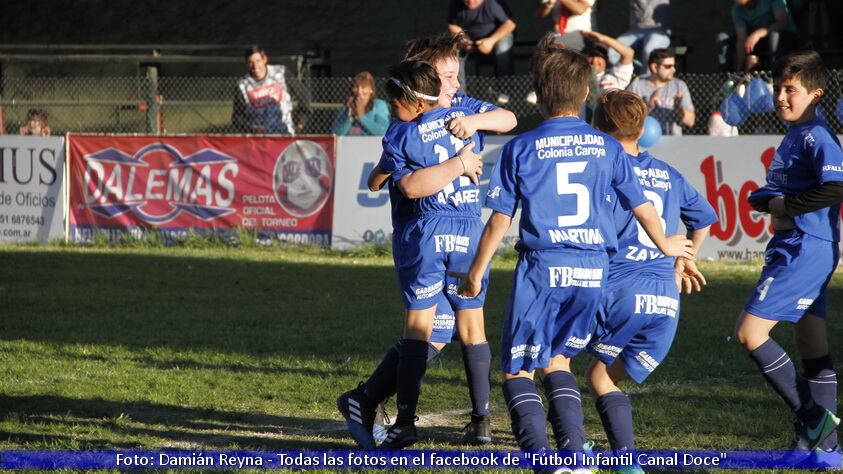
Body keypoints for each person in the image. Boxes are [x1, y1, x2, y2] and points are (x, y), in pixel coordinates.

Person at [457, 35, 693, 472]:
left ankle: (546, 461)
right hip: (593, 271)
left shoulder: (519, 148)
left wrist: (476, 272)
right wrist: (666, 245)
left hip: (544, 268)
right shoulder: (608, 147)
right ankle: (574, 453)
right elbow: (642, 205)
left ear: (540, 96)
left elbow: (498, 221)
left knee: (518, 369)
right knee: (558, 359)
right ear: (586, 94)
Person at [336, 33, 517, 448]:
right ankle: (472, 419)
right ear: (424, 82)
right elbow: (382, 176)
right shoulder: (407, 127)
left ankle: (385, 410)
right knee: (448, 330)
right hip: (458, 230)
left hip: (432, 233)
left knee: (427, 331)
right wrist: (456, 161)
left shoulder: (457, 111)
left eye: (455, 76)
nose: (455, 85)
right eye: (448, 77)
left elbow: (506, 119)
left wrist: (470, 125)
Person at [584, 90, 717, 470]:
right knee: (601, 377)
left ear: (597, 129)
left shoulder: (604, 170)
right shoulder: (667, 173)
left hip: (619, 290)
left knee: (552, 354)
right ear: (643, 129)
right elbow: (704, 219)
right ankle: (619, 458)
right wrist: (683, 260)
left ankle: (577, 443)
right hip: (664, 300)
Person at [739, 50, 843, 452]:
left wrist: (785, 206)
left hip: (804, 249)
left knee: (749, 333)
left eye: (791, 90)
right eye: (778, 88)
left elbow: (836, 186)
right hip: (802, 246)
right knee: (811, 343)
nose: (781, 96)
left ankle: (815, 420)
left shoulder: (817, 135)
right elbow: (793, 189)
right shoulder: (796, 133)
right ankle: (827, 450)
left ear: (816, 94)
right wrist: (767, 200)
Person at [232, 45, 310, 135]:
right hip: (259, 140)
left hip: (285, 134)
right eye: (251, 62)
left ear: (264, 59)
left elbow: (304, 95)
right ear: (247, 64)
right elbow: (237, 118)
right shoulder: (242, 85)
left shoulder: (281, 72)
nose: (255, 66)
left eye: (258, 61)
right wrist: (252, 127)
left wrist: (300, 124)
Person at [627, 48, 695, 135]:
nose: (673, 70)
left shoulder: (679, 86)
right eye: (668, 66)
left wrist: (678, 107)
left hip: (673, 142)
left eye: (674, 66)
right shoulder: (637, 86)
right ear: (654, 67)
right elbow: (627, 121)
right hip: (644, 141)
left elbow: (690, 121)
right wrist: (649, 107)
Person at [716, 0, 798, 72]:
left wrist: (758, 34)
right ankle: (728, 78)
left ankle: (775, 74)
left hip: (783, 36)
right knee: (722, 38)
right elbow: (741, 38)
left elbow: (782, 22)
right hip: (758, 42)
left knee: (774, 36)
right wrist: (739, 68)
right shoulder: (737, 10)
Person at [447, 0, 517, 78]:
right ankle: (459, 88)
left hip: (496, 39)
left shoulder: (493, 3)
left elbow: (510, 24)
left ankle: (505, 86)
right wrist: (463, 40)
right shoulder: (455, 3)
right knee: (453, 48)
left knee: (503, 46)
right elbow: (452, 25)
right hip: (470, 41)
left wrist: (491, 41)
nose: (471, 1)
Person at [610, 0, 671, 74]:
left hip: (658, 31)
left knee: (649, 50)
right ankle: (637, 73)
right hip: (635, 31)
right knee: (612, 50)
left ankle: (646, 80)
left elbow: (646, 13)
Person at [331, 71, 390, 136]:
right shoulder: (348, 107)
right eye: (356, 87)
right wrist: (349, 117)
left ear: (371, 90)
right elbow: (335, 134)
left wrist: (362, 117)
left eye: (363, 87)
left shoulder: (378, 105)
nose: (359, 91)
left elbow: (384, 132)